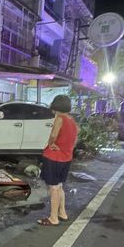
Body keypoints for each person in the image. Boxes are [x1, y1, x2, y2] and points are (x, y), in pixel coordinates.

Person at [38, 95, 79, 226]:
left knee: (54, 188)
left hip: (54, 158)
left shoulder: (60, 118)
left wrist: (51, 144)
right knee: (59, 186)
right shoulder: (72, 120)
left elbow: (54, 135)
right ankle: (62, 213)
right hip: (66, 158)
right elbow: (76, 136)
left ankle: (53, 218)